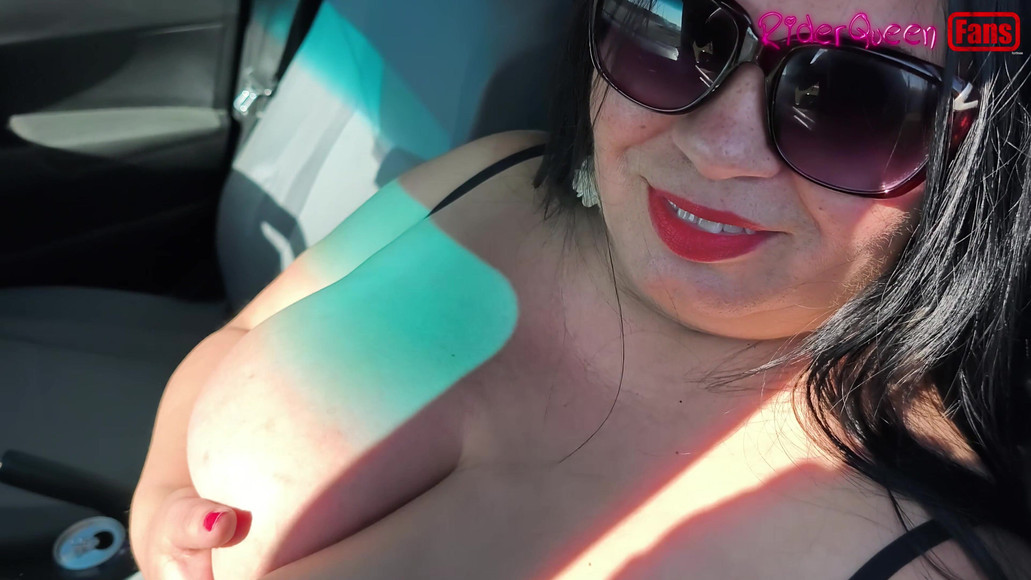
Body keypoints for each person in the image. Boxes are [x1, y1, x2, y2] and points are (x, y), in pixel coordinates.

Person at [129, 0, 1031, 578]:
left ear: (984, 156)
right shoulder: (481, 179)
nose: (713, 146)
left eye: (856, 101)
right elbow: (232, 345)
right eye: (677, 34)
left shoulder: (924, 557)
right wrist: (162, 504)